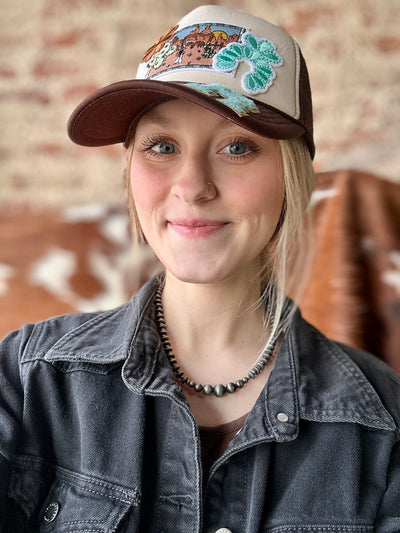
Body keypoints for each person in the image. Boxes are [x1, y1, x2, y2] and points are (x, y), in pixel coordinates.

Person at [1, 5, 399, 532]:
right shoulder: (30, 380)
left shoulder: (381, 427)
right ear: (130, 174)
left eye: (238, 147)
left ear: (292, 177)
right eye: (162, 146)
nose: (192, 185)